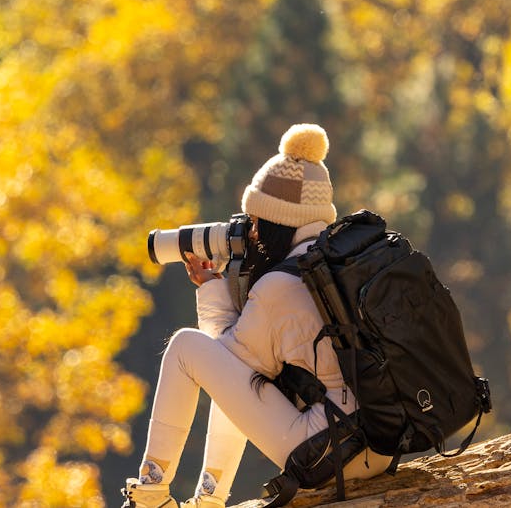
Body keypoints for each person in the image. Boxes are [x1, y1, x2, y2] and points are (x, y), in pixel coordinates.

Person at [120, 124, 391, 508]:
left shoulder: (282, 286)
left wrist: (211, 287)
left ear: (279, 222)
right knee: (247, 373)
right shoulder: (337, 264)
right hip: (381, 443)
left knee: (185, 348)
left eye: (258, 223)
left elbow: (224, 362)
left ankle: (149, 496)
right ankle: (208, 500)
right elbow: (241, 376)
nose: (252, 234)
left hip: (332, 450)